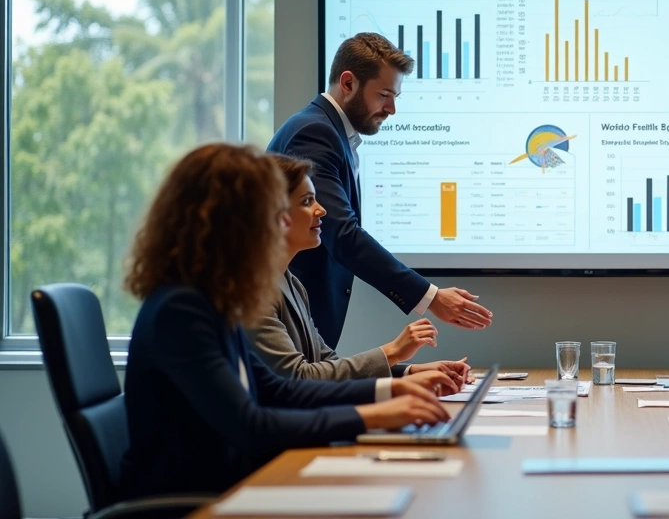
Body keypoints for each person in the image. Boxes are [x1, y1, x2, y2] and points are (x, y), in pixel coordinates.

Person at [119, 143, 461, 499]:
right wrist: (373, 416)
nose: (284, 222)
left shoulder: (211, 300)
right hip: (193, 503)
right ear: (233, 224)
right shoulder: (182, 310)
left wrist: (389, 390)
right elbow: (250, 425)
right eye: (274, 213)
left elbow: (277, 389)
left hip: (233, 486)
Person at [268, 32, 492, 346]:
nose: (391, 109)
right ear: (348, 83)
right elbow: (342, 233)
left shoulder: (329, 131)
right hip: (289, 322)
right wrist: (430, 297)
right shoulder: (315, 134)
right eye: (384, 95)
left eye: (395, 97)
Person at [248, 153, 473, 385]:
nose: (321, 210)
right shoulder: (252, 292)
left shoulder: (290, 282)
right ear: (272, 213)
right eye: (307, 201)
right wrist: (393, 350)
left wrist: (412, 372)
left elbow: (326, 364)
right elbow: (298, 378)